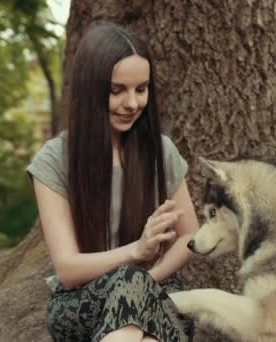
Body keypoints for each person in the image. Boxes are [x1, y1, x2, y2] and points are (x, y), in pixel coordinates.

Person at [26, 22, 198, 342]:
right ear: (90, 89)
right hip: (81, 302)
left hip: (160, 289)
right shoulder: (54, 160)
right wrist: (137, 251)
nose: (132, 103)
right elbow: (68, 268)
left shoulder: (160, 151)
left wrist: (144, 279)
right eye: (117, 90)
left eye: (141, 89)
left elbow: (190, 236)